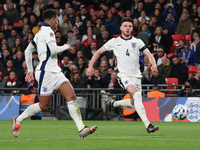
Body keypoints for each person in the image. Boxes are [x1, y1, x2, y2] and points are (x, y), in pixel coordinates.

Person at [12, 9, 97, 138]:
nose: (58, 22)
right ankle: (18, 120)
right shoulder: (48, 31)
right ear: (52, 20)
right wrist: (66, 46)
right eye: (57, 20)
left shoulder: (40, 33)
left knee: (71, 96)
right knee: (43, 105)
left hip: (54, 71)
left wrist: (30, 70)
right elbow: (53, 50)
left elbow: (28, 50)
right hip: (46, 73)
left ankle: (81, 128)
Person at [87, 17, 159, 133]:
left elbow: (149, 55)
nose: (127, 28)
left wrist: (154, 64)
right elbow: (98, 52)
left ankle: (115, 104)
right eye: (125, 26)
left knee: (133, 102)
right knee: (137, 95)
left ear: (132, 28)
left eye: (130, 26)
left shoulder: (138, 42)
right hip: (124, 76)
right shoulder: (114, 41)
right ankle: (148, 125)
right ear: (121, 28)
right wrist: (90, 66)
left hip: (137, 76)